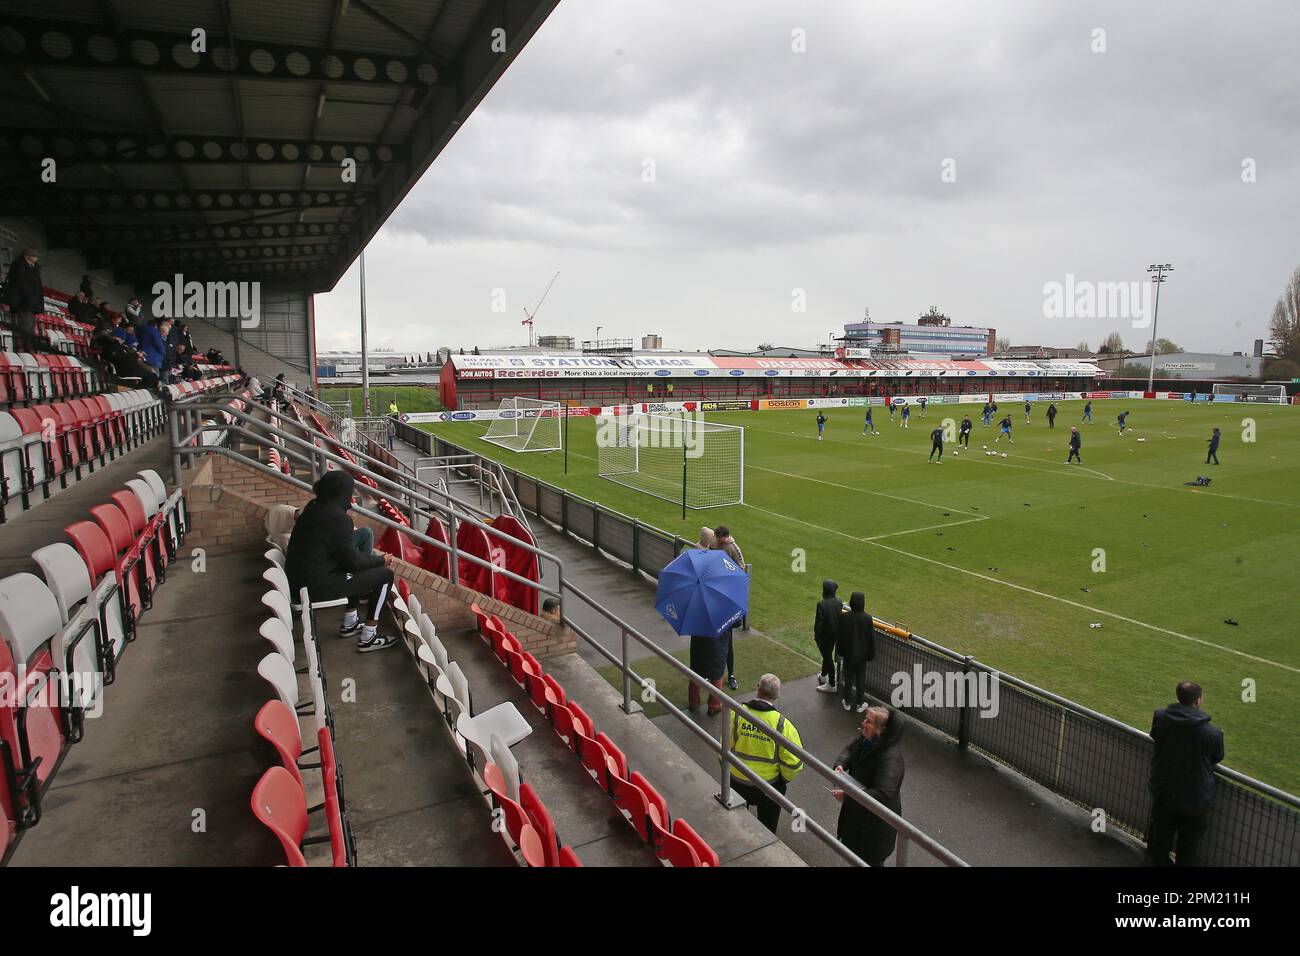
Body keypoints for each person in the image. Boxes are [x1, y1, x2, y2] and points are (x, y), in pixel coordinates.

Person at [284, 470, 399, 652]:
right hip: (313, 587)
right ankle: (369, 636)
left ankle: (350, 621)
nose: (352, 496)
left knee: (363, 536)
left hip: (301, 580)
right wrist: (381, 560)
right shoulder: (337, 518)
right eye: (350, 491)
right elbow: (352, 563)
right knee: (385, 575)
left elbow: (347, 556)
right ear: (342, 493)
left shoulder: (314, 506)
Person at [1146, 682, 1224, 866]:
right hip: (1195, 799)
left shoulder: (1161, 718)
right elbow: (1217, 757)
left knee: (1160, 839)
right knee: (1188, 848)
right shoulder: (1212, 733)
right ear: (1198, 701)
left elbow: (1157, 736)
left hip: (1164, 791)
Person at [728, 674, 804, 833]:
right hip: (769, 787)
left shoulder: (737, 715)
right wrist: (782, 779)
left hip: (737, 781)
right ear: (777, 696)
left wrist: (728, 769)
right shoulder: (783, 725)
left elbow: (723, 748)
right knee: (768, 829)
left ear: (758, 688)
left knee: (735, 824)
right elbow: (795, 763)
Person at [832, 707, 906, 866]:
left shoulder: (890, 757)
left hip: (874, 832)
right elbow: (850, 751)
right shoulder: (867, 740)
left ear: (881, 729)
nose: (863, 723)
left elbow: (882, 794)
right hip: (857, 823)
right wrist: (840, 766)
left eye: (869, 721)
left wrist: (847, 797)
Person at [713, 525, 744, 688]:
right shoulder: (714, 545)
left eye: (719, 538)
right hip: (716, 595)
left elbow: (741, 568)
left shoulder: (733, 548)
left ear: (726, 536)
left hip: (728, 597)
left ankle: (731, 674)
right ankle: (712, 673)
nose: (717, 540)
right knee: (715, 639)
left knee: (728, 641)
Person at [836, 592, 874, 712]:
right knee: (860, 679)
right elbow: (870, 639)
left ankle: (847, 702)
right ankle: (859, 703)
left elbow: (840, 637)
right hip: (862, 656)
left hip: (848, 654)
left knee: (848, 678)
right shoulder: (868, 618)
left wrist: (840, 652)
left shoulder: (844, 617)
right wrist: (870, 655)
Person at [2, 247, 45, 351]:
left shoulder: (34, 267)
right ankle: (24, 348)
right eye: (35, 256)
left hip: (31, 301)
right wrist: (30, 295)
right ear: (28, 256)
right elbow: (19, 282)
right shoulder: (19, 265)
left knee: (29, 326)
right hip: (24, 301)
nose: (37, 258)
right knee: (25, 326)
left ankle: (29, 347)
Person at [814, 579, 846, 693]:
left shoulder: (821, 604)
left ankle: (831, 684)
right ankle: (823, 676)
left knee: (827, 658)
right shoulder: (839, 602)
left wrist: (817, 637)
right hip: (835, 635)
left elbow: (819, 623)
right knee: (827, 656)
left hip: (824, 636)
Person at [687, 630, 727, 716]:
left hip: (698, 644)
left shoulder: (695, 615)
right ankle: (714, 706)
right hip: (717, 645)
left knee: (695, 672)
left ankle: (693, 703)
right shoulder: (720, 615)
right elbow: (737, 623)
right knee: (716, 675)